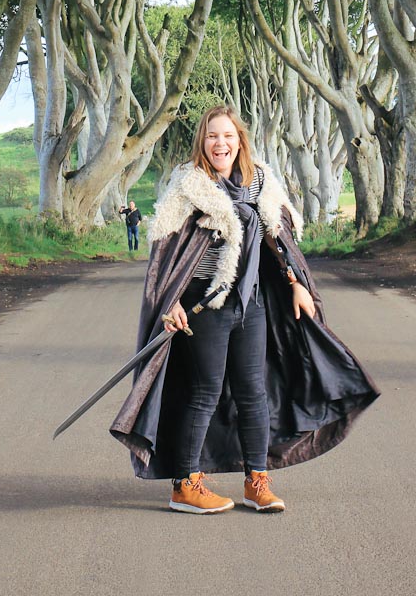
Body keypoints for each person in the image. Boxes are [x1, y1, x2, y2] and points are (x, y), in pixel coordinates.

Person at [111, 104, 379, 514]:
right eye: (213, 136)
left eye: (228, 136)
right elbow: (167, 257)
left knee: (254, 393)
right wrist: (171, 304)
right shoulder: (189, 187)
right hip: (204, 306)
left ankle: (257, 480)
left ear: (240, 141)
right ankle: (185, 484)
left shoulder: (261, 185)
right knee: (205, 392)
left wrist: (296, 285)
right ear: (203, 141)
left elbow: (279, 242)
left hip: (251, 304)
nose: (220, 144)